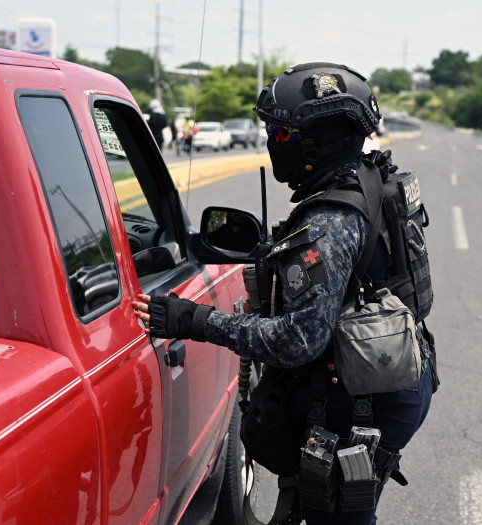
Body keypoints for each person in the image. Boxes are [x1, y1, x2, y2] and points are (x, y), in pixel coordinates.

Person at [134, 62, 435, 524]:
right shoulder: (371, 178)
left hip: (365, 398)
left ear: (315, 141)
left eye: (280, 131)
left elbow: (298, 342)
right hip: (393, 376)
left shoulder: (329, 222)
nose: (272, 140)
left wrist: (192, 320)